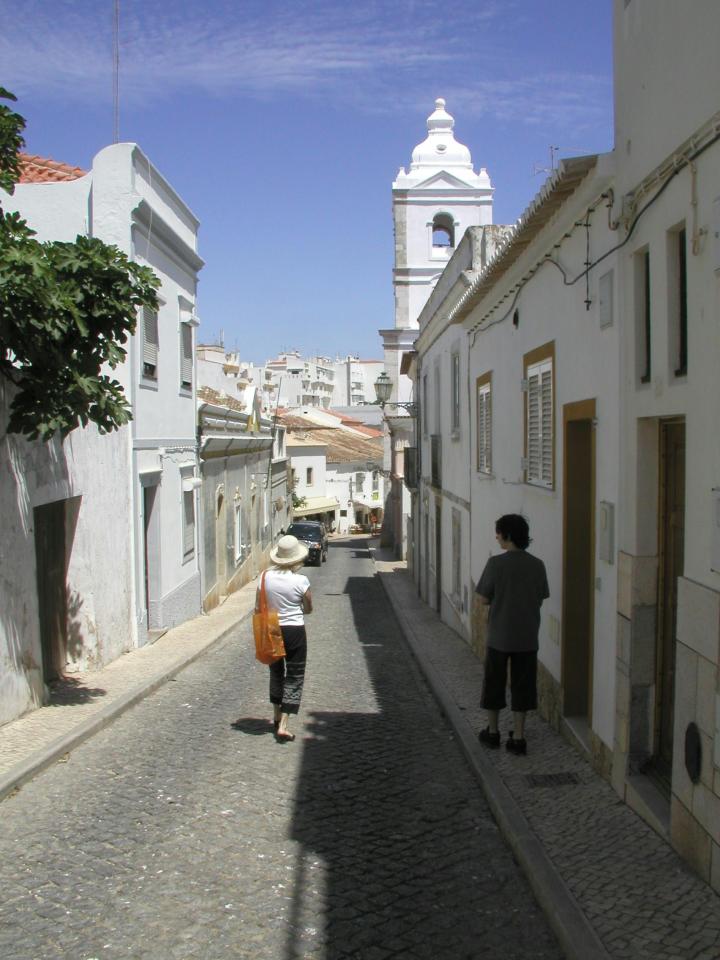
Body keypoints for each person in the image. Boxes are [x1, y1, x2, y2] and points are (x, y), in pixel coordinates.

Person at [475, 514, 549, 755]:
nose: (496, 537)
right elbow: (540, 596)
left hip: (499, 636)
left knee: (494, 684)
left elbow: (484, 598)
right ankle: (518, 737)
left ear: (507, 535)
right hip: (527, 636)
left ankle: (493, 732)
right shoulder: (537, 565)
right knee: (523, 686)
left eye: (498, 533)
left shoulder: (496, 564)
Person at [257, 534, 313, 742]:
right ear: (296, 559)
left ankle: (275, 714)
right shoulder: (301, 581)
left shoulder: (264, 578)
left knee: (276, 672)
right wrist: (300, 608)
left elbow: (257, 607)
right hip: (294, 630)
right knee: (294, 675)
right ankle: (284, 725)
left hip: (272, 628)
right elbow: (308, 607)